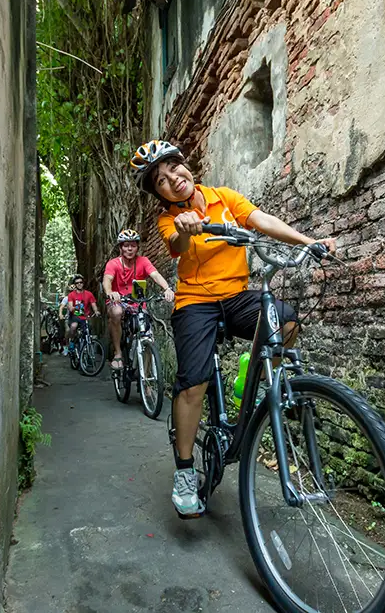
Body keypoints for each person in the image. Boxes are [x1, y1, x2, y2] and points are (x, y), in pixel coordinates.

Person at [129, 139, 336, 518]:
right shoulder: (169, 219)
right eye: (161, 181)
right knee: (194, 381)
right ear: (159, 193)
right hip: (195, 303)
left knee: (286, 320)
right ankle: (186, 472)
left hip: (236, 295)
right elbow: (175, 244)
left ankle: (253, 381)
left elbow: (262, 221)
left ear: (185, 165)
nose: (173, 180)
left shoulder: (224, 197)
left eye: (175, 169)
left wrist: (311, 242)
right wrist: (188, 228)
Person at [103, 229, 176, 369]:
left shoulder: (143, 261)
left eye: (133, 245)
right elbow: (107, 279)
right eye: (126, 245)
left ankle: (147, 380)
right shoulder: (113, 264)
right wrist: (110, 292)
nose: (129, 248)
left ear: (137, 247)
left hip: (137, 303)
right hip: (119, 301)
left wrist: (167, 288)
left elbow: (155, 275)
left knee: (148, 338)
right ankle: (118, 353)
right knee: (116, 312)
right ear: (120, 247)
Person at [65, 274, 100, 348]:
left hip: (85, 317)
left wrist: (96, 311)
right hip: (75, 316)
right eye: (77, 283)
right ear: (75, 285)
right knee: (74, 326)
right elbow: (71, 307)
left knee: (87, 331)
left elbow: (94, 305)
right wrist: (75, 307)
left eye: (81, 282)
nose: (79, 284)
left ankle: (85, 348)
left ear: (83, 283)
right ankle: (72, 341)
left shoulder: (89, 294)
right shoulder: (71, 295)